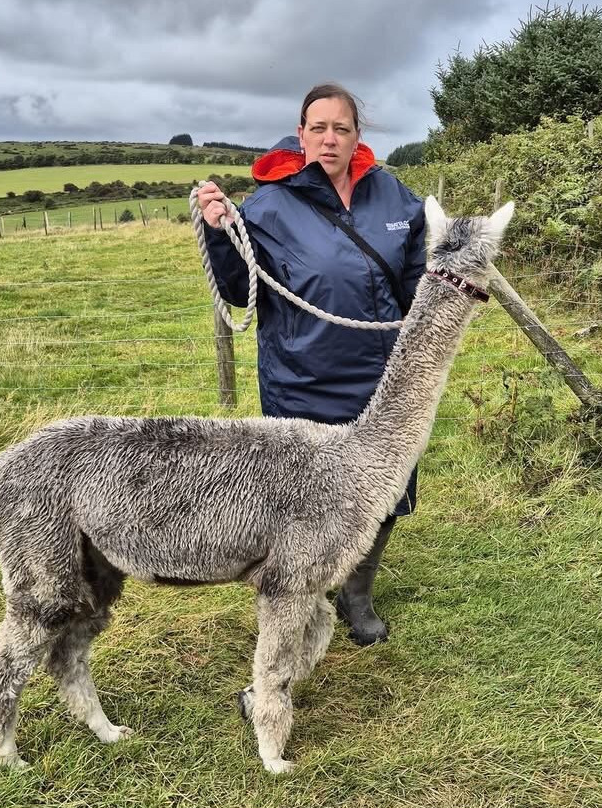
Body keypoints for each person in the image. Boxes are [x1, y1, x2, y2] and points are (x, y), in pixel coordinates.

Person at [196, 83, 425, 646]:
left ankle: (357, 593)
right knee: (308, 500)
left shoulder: (393, 196)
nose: (330, 138)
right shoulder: (270, 204)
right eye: (318, 128)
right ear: (301, 135)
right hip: (303, 379)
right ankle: (306, 593)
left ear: (357, 136)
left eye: (341, 128)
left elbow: (420, 271)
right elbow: (236, 286)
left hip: (383, 379)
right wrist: (219, 232)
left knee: (385, 490)